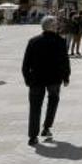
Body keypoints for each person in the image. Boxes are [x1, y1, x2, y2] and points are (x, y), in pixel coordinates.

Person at [22, 16, 70, 146]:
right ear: (52, 27)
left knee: (35, 107)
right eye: (55, 24)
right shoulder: (60, 41)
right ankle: (46, 127)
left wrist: (27, 78)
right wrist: (66, 76)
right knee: (53, 102)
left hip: (36, 79)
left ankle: (32, 136)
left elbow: (26, 63)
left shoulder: (33, 41)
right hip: (54, 79)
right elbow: (65, 61)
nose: (57, 26)